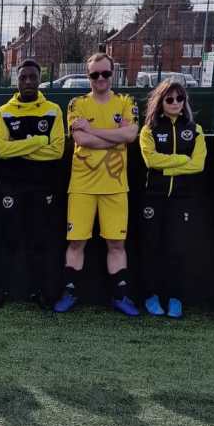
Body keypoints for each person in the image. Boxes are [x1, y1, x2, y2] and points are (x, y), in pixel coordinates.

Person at [56, 53, 140, 316]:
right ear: (88, 76)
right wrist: (115, 137)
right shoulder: (76, 104)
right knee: (76, 243)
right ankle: (70, 293)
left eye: (105, 73)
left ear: (113, 73)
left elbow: (131, 134)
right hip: (82, 185)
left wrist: (92, 130)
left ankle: (120, 297)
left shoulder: (126, 101)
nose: (100, 78)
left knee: (116, 244)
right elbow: (81, 140)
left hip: (115, 186)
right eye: (95, 74)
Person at [0, 59, 65, 309]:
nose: (28, 82)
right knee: (8, 239)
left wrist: (19, 147)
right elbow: (2, 150)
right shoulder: (4, 112)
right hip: (11, 186)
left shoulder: (53, 110)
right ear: (17, 81)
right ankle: (0, 290)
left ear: (39, 79)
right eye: (24, 78)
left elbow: (57, 151)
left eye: (33, 77)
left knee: (39, 241)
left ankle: (40, 292)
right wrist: (39, 141)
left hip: (42, 187)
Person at [138, 80, 206, 319]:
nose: (175, 103)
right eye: (170, 99)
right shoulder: (149, 130)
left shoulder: (195, 129)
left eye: (180, 98)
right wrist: (181, 161)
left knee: (177, 250)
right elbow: (151, 161)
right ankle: (151, 296)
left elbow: (198, 164)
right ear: (161, 102)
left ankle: (175, 298)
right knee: (151, 249)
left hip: (182, 199)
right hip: (153, 198)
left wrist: (167, 168)